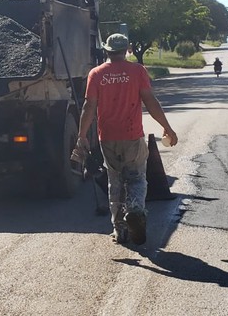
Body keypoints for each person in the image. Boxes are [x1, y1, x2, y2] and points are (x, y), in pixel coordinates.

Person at [75, 34, 178, 245]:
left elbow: (89, 107)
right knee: (137, 177)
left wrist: (82, 135)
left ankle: (119, 229)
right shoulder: (137, 71)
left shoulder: (96, 74)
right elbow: (150, 101)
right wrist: (167, 128)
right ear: (127, 49)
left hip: (108, 137)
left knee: (115, 181)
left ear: (106, 51)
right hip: (132, 136)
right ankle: (136, 210)